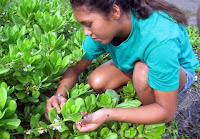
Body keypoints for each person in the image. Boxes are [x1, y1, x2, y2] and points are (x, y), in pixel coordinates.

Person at [45, 0, 199, 132]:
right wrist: (59, 96)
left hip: (179, 71)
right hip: (138, 64)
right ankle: (142, 92)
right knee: (97, 82)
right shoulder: (103, 29)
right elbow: (75, 67)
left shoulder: (159, 39)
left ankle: (151, 120)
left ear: (115, 12)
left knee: (142, 74)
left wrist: (108, 114)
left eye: (89, 24)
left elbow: (166, 111)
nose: (86, 32)